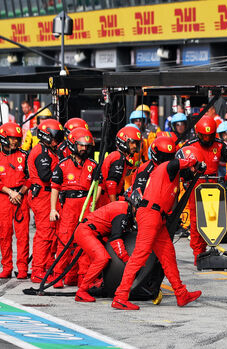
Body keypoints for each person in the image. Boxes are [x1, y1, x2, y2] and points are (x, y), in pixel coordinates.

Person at [112, 146, 204, 310]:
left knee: (168, 255)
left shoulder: (171, 173)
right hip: (150, 214)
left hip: (156, 216)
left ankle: (181, 293)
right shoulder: (167, 167)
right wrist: (192, 161)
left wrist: (196, 170)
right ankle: (120, 296)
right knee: (140, 256)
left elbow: (187, 175)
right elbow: (175, 165)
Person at [184, 116, 227, 261]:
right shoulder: (190, 144)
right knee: (196, 220)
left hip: (214, 184)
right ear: (198, 133)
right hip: (196, 184)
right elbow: (179, 161)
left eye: (210, 136)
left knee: (213, 218)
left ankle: (211, 247)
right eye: (204, 136)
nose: (207, 139)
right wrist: (185, 179)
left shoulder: (220, 144)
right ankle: (198, 253)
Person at [50, 127, 97, 288]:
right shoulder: (62, 165)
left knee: (84, 242)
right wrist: (52, 209)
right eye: (81, 145)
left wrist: (93, 203)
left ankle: (81, 276)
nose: (84, 148)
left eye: (86, 146)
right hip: (69, 205)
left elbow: (99, 187)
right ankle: (58, 275)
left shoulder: (93, 165)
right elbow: (55, 188)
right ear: (73, 145)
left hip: (86, 204)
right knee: (64, 240)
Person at [0, 122, 30, 279]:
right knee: (4, 234)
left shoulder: (25, 155)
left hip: (21, 199)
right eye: (11, 139)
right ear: (4, 138)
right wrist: (10, 192)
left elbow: (30, 178)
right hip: (4, 198)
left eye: (17, 139)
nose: (14, 142)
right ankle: (7, 267)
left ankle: (23, 268)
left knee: (23, 235)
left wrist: (20, 192)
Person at [74, 199, 135, 303]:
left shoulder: (124, 208)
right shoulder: (122, 211)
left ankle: (97, 284)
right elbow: (116, 239)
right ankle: (81, 291)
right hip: (86, 231)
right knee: (102, 258)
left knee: (106, 256)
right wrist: (127, 261)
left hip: (93, 232)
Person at [26, 119, 64, 283]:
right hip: (43, 195)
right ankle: (37, 270)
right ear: (46, 136)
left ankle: (48, 266)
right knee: (44, 234)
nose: (57, 141)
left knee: (53, 233)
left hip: (49, 195)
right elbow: (46, 176)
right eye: (55, 137)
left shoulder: (50, 150)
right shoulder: (41, 152)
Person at [97, 125, 140, 207]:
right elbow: (111, 184)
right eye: (132, 142)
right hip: (108, 200)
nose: (135, 146)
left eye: (136, 143)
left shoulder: (117, 156)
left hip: (107, 198)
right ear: (124, 141)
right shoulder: (118, 158)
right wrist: (115, 206)